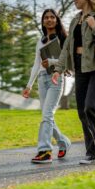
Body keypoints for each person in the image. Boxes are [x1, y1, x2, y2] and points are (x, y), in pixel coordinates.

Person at [43, 0, 95, 164]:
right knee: (82, 112)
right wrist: (58, 69)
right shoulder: (75, 19)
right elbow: (67, 47)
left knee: (91, 106)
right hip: (80, 69)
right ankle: (91, 153)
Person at [22, 9, 71, 164]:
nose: (49, 20)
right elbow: (36, 64)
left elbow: (68, 61)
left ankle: (45, 151)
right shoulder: (40, 41)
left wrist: (51, 62)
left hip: (56, 79)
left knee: (47, 115)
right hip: (42, 80)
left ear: (57, 20)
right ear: (43, 21)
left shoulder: (64, 38)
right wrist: (29, 85)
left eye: (52, 17)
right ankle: (64, 142)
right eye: (46, 18)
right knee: (47, 116)